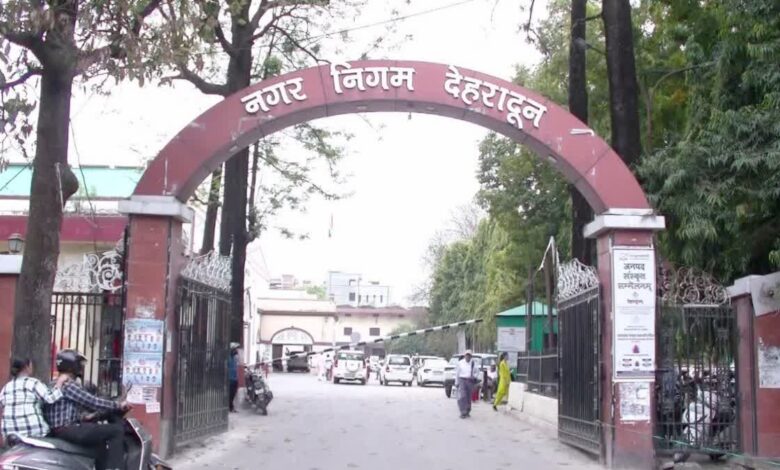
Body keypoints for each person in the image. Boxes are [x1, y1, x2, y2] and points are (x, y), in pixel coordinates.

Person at [45, 350, 128, 470]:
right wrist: (118, 405)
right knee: (116, 431)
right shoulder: (68, 385)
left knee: (99, 443)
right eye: (79, 364)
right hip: (68, 429)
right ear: (71, 366)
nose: (81, 367)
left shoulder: (54, 383)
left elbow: (71, 408)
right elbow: (92, 401)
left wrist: (88, 416)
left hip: (64, 429)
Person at [0, 358, 66, 441]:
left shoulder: (6, 387)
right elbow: (50, 399)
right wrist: (60, 382)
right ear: (27, 367)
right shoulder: (33, 383)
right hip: (34, 431)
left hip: (10, 434)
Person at [455, 350, 479, 419]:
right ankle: (463, 412)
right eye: (467, 355)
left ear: (471, 356)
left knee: (468, 397)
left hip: (470, 381)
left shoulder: (473, 363)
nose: (468, 357)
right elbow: (457, 373)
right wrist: (456, 382)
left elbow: (477, 372)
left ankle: (467, 411)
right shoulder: (460, 363)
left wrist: (474, 376)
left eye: (469, 355)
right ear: (464, 356)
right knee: (463, 396)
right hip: (462, 380)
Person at [228, 343, 239, 413]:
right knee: (230, 394)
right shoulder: (228, 358)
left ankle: (231, 407)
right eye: (235, 349)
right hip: (230, 378)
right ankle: (230, 407)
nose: (236, 350)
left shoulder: (235, 358)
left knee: (233, 393)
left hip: (235, 378)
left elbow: (236, 366)